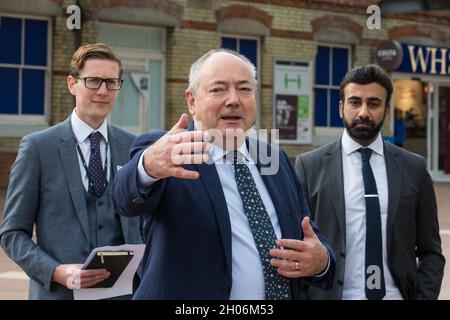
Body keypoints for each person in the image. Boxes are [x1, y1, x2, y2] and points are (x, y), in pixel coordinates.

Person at [111, 49, 335, 300]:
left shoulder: (276, 160)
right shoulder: (169, 152)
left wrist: (321, 260)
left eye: (244, 89)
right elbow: (123, 198)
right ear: (192, 101)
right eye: (218, 90)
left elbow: (309, 235)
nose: (233, 100)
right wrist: (148, 165)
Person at [0, 43, 143, 299]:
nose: (103, 90)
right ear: (71, 84)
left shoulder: (134, 146)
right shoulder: (37, 148)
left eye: (111, 82)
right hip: (59, 293)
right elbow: (12, 234)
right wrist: (57, 272)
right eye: (93, 81)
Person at [295, 65, 445, 300]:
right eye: (355, 102)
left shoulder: (414, 167)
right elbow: (297, 247)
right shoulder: (309, 166)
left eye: (374, 104)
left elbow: (431, 252)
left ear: (386, 110)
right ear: (341, 107)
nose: (363, 112)